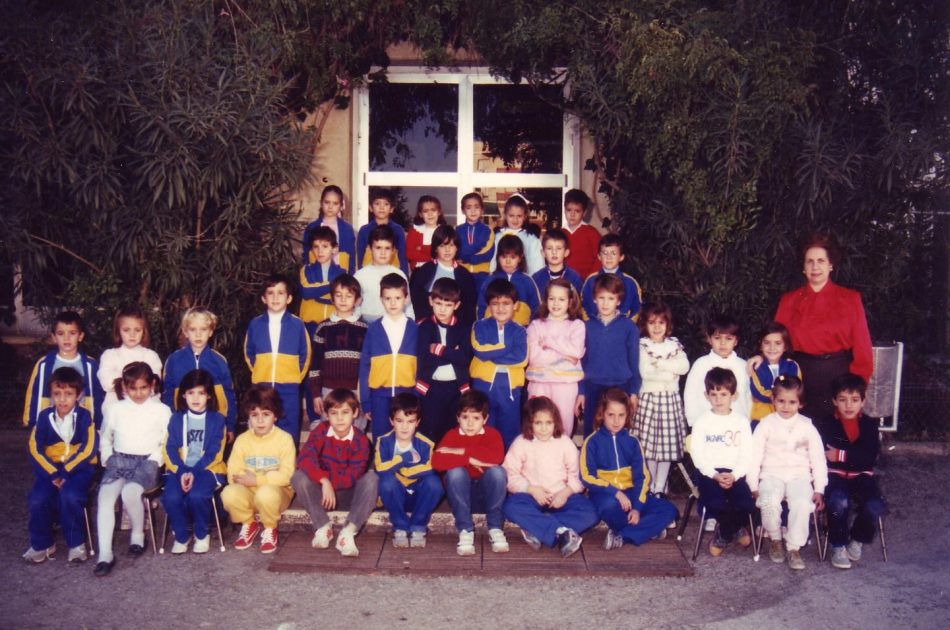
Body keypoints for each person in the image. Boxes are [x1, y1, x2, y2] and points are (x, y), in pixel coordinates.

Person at [758, 233, 873, 418]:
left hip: (838, 376)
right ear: (803, 267)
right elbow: (775, 341)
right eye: (809, 261)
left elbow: (862, 348)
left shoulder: (850, 299)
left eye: (821, 261)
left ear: (830, 265)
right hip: (800, 376)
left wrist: (856, 387)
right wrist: (761, 359)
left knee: (835, 432)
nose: (815, 267)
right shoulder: (789, 300)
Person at [94, 362, 170, 577]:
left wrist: (156, 460)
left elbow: (166, 442)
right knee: (105, 497)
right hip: (119, 460)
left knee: (130, 492)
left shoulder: (161, 410)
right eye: (133, 388)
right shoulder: (115, 409)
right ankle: (105, 554)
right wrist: (108, 457)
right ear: (125, 388)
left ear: (152, 385)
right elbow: (105, 438)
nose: (138, 393)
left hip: (147, 462)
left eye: (143, 388)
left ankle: (138, 535)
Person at [580, 388, 678, 550]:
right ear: (602, 414)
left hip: (631, 493)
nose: (616, 420)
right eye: (611, 415)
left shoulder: (633, 441)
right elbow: (586, 477)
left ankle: (622, 536)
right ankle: (648, 529)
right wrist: (615, 492)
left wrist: (637, 508)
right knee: (608, 507)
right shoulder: (592, 442)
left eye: (621, 415)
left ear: (627, 415)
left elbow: (642, 477)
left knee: (669, 510)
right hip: (606, 495)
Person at [748, 375, 828, 571]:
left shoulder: (807, 427)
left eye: (792, 402)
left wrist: (819, 488)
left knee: (802, 503)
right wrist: (753, 485)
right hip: (771, 475)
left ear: (800, 403)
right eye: (781, 401)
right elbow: (754, 457)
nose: (786, 406)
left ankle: (793, 547)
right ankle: (775, 538)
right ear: (773, 400)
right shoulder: (765, 424)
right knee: (768, 501)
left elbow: (818, 459)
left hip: (799, 476)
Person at [502, 397, 599, 557]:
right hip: (532, 496)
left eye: (548, 423)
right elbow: (509, 474)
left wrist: (565, 493)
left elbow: (578, 475)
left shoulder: (565, 443)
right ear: (530, 424)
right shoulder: (521, 443)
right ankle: (561, 532)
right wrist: (531, 489)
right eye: (538, 423)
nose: (544, 428)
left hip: (561, 496)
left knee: (591, 512)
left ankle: (538, 527)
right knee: (511, 507)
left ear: (555, 423)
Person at [23, 367, 98, 565]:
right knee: (38, 499)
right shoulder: (44, 417)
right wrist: (53, 473)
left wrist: (65, 472)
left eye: (68, 394)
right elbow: (34, 448)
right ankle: (42, 543)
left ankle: (76, 543)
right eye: (57, 394)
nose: (62, 400)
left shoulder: (85, 416)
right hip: (50, 469)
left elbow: (89, 448)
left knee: (70, 495)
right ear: (51, 395)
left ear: (78, 396)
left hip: (79, 468)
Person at [291, 388, 378, 557]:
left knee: (372, 479)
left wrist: (328, 482)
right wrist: (324, 481)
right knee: (299, 477)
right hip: (322, 496)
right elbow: (305, 458)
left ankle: (348, 532)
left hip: (348, 495)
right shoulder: (320, 431)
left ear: (355, 413)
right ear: (326, 415)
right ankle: (323, 526)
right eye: (334, 413)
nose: (339, 418)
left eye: (345, 412)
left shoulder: (361, 440)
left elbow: (352, 476)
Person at [817, 373, 886, 570]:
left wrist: (840, 454)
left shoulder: (870, 425)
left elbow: (869, 457)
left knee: (875, 505)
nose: (849, 405)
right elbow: (824, 454)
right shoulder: (827, 423)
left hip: (862, 476)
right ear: (834, 401)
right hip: (835, 475)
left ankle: (857, 539)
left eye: (855, 400)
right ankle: (838, 545)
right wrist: (855, 455)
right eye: (843, 400)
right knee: (839, 501)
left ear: (863, 401)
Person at [431, 389, 508, 556]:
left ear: (485, 419)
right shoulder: (452, 435)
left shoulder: (492, 435)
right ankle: (465, 530)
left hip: (485, 496)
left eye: (476, 418)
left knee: (498, 473)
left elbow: (496, 457)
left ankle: (495, 528)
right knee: (455, 473)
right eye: (465, 417)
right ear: (458, 418)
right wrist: (469, 460)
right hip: (460, 497)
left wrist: (460, 452)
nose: (470, 424)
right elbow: (436, 461)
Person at [688, 368, 755, 556]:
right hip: (709, 473)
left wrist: (735, 475)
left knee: (746, 504)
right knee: (715, 504)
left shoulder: (741, 422)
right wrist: (714, 475)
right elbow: (697, 454)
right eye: (713, 394)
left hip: (735, 473)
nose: (718, 399)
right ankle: (734, 528)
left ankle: (725, 532)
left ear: (734, 396)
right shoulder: (702, 422)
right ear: (706, 396)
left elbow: (747, 454)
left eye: (723, 394)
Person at [222, 385, 296, 555]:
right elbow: (233, 473)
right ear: (248, 416)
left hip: (277, 494)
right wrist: (249, 480)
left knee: (266, 493)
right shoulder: (242, 440)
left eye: (266, 414)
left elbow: (287, 476)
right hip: (249, 491)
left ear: (275, 416)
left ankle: (270, 527)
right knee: (229, 493)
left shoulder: (284, 439)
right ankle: (249, 523)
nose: (260, 421)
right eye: (254, 415)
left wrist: (257, 480)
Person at [161, 369, 227, 554]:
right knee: (171, 497)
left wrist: (194, 472)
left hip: (208, 469)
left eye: (201, 393)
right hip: (179, 468)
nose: (196, 398)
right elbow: (168, 449)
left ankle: (202, 533)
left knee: (197, 495)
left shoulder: (217, 420)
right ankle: (182, 536)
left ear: (209, 396)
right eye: (191, 393)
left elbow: (215, 452)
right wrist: (182, 471)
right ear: (183, 395)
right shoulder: (176, 419)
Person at [243, 274, 311, 446]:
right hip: (262, 386)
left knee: (289, 429)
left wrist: (294, 377)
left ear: (289, 298)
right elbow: (249, 353)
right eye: (270, 293)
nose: (275, 297)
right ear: (263, 298)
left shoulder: (297, 325)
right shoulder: (255, 324)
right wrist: (260, 372)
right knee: (261, 428)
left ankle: (288, 460)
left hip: (289, 387)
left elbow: (305, 355)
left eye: (280, 293)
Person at [632, 302, 689, 495]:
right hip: (649, 400)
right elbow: (646, 373)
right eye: (652, 323)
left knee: (666, 448)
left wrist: (660, 364)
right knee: (649, 448)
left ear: (668, 325)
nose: (657, 327)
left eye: (661, 323)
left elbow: (683, 367)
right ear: (645, 325)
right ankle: (650, 485)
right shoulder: (642, 346)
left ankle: (660, 487)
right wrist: (670, 372)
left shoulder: (674, 345)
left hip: (670, 401)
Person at [374, 393, 444, 549]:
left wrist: (403, 471)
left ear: (417, 422)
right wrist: (403, 458)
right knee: (387, 483)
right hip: (395, 496)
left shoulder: (426, 443)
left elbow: (430, 468)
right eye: (399, 421)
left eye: (410, 421)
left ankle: (418, 526)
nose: (405, 427)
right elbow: (380, 468)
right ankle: (400, 526)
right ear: (391, 421)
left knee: (434, 484)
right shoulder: (383, 441)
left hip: (418, 496)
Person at [576, 274, 640, 437]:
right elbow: (581, 361)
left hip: (621, 386)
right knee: (592, 431)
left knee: (618, 431)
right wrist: (581, 391)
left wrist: (634, 391)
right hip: (593, 386)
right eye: (601, 298)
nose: (605, 303)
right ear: (594, 299)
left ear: (618, 301)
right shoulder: (586, 327)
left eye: (610, 298)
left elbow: (634, 361)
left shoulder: (629, 327)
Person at [359, 273, 419, 439]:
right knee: (381, 439)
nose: (393, 303)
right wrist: (366, 400)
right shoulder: (373, 329)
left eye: (397, 298)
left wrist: (417, 396)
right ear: (381, 299)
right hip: (379, 396)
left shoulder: (415, 329)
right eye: (388, 298)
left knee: (405, 439)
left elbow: (421, 366)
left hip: (407, 395)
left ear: (406, 299)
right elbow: (365, 366)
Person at [162, 307, 238, 439]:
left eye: (203, 329)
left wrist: (229, 425)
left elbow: (229, 394)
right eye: (193, 329)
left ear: (211, 332)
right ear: (185, 332)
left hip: (214, 426)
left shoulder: (219, 361)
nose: (198, 335)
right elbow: (167, 394)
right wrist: (172, 422)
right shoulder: (174, 360)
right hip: (183, 424)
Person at [470, 278, 528, 448]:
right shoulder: (479, 326)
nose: (500, 308)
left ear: (515, 305)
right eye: (495, 304)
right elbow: (480, 350)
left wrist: (492, 355)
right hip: (483, 385)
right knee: (484, 427)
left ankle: (509, 462)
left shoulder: (520, 330)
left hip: (510, 388)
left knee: (510, 429)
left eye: (506, 303)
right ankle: (484, 462)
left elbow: (521, 358)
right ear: (488, 306)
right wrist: (507, 347)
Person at [415, 277, 473, 444]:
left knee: (452, 430)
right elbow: (424, 358)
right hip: (431, 386)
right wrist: (453, 353)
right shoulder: (424, 327)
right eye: (438, 303)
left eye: (448, 305)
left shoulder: (463, 328)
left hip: (456, 387)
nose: (442, 309)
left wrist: (439, 349)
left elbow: (464, 358)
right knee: (430, 429)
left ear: (457, 305)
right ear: (430, 301)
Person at [22, 310, 103, 429]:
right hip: (52, 425)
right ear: (54, 337)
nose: (66, 338)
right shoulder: (44, 364)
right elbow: (34, 394)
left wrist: (98, 424)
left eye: (72, 333)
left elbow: (98, 396)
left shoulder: (90, 365)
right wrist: (32, 421)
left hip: (81, 426)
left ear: (80, 336)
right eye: (60, 333)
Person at [526, 278, 585, 437]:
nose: (556, 303)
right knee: (537, 425)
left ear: (570, 301)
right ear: (546, 300)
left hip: (565, 385)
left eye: (561, 299)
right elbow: (534, 358)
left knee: (563, 427)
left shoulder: (577, 325)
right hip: (539, 384)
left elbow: (576, 351)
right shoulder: (536, 325)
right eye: (552, 298)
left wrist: (549, 343)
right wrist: (567, 357)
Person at [307, 275, 368, 428]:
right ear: (332, 299)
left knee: (356, 431)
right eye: (339, 295)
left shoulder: (366, 329)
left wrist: (366, 395)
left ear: (357, 300)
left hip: (357, 391)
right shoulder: (323, 328)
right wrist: (316, 393)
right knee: (330, 431)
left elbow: (369, 365)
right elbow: (315, 364)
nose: (343, 300)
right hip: (328, 390)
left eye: (349, 295)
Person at [683, 314, 751, 427]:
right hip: (707, 425)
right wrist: (694, 422)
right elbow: (690, 394)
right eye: (717, 338)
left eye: (729, 338)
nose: (723, 343)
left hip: (736, 426)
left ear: (736, 341)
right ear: (709, 339)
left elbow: (749, 396)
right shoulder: (701, 364)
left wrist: (748, 422)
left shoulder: (743, 366)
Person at [408, 224, 477, 327]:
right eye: (442, 246)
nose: (447, 250)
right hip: (428, 326)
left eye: (451, 245)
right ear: (435, 248)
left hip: (456, 328)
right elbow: (416, 303)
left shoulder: (465, 276)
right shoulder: (423, 271)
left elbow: (469, 310)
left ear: (457, 248)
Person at [98, 306, 163, 412]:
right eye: (126, 330)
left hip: (147, 408)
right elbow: (106, 382)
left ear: (144, 331)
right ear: (118, 331)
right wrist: (139, 381)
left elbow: (154, 385)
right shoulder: (109, 355)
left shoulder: (151, 356)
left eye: (137, 330)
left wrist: (122, 379)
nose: (132, 334)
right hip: (117, 407)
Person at [354, 224, 415, 323]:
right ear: (370, 249)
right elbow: (355, 307)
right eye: (378, 248)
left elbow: (408, 306)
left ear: (393, 250)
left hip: (394, 322)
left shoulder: (399, 274)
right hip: (366, 323)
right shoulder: (360, 276)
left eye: (387, 248)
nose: (383, 252)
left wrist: (411, 325)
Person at [476, 234, 541, 326]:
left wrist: (531, 329)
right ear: (498, 257)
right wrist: (483, 327)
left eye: (513, 257)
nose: (508, 262)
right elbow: (481, 307)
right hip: (493, 330)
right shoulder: (490, 280)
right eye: (504, 257)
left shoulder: (527, 281)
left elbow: (536, 309)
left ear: (520, 258)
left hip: (521, 330)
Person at [580, 234, 642, 321]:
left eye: (613, 253)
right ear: (599, 256)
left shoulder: (630, 283)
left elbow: (636, 309)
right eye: (605, 253)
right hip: (595, 326)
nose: (609, 257)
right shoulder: (591, 281)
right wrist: (592, 324)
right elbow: (584, 306)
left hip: (622, 327)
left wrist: (626, 326)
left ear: (621, 257)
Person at [750, 322, 802, 426]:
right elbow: (758, 393)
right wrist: (784, 396)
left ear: (785, 346)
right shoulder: (756, 366)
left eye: (778, 343)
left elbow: (796, 390)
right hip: (762, 418)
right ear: (760, 345)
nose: (772, 348)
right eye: (767, 343)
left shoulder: (792, 365)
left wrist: (776, 397)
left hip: (787, 418)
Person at [299, 226, 346, 336]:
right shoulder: (306, 269)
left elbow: (339, 297)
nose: (320, 251)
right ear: (311, 249)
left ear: (334, 249)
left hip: (333, 323)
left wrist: (316, 294)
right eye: (316, 246)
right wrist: (332, 285)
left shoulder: (342, 272)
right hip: (309, 322)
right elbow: (306, 292)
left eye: (325, 246)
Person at [301, 184, 356, 273]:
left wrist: (349, 277)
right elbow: (306, 255)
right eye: (327, 202)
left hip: (341, 275)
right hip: (316, 274)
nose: (330, 207)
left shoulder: (347, 229)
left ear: (341, 206)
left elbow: (351, 258)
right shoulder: (312, 227)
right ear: (321, 203)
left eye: (335, 203)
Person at [356, 188, 408, 273]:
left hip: (392, 274)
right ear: (370, 207)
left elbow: (403, 257)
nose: (381, 207)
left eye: (386, 204)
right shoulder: (364, 230)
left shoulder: (398, 230)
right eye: (377, 203)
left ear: (392, 209)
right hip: (369, 273)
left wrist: (404, 276)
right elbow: (360, 257)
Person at [491, 195, 544, 275]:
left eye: (519, 216)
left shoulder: (531, 239)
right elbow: (493, 261)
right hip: (501, 280)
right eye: (511, 216)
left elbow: (538, 266)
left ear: (525, 216)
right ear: (505, 215)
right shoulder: (498, 236)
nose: (515, 220)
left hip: (523, 279)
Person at [562, 189, 601, 280]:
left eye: (577, 211)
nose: (572, 214)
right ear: (564, 210)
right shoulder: (560, 233)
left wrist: (591, 278)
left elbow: (601, 257)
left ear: (584, 213)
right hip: (564, 282)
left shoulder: (591, 233)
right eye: (569, 210)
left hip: (586, 281)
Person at [532, 228, 584, 297]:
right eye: (549, 248)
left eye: (559, 248)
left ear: (566, 252)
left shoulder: (575, 278)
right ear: (543, 252)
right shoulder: (536, 278)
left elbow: (578, 301)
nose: (554, 252)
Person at [457, 192, 495, 278]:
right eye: (468, 207)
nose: (473, 211)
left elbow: (488, 253)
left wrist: (467, 258)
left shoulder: (488, 230)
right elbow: (457, 251)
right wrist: (476, 248)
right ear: (463, 210)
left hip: (482, 273)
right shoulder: (457, 230)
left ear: (482, 210)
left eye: (476, 207)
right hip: (462, 272)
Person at [406, 195, 447, 270]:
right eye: (425, 211)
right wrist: (431, 258)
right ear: (420, 214)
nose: (430, 214)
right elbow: (410, 253)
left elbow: (445, 252)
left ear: (439, 212)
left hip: (440, 269)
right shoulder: (414, 231)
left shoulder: (444, 231)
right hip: (419, 270)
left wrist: (421, 248)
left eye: (433, 210)